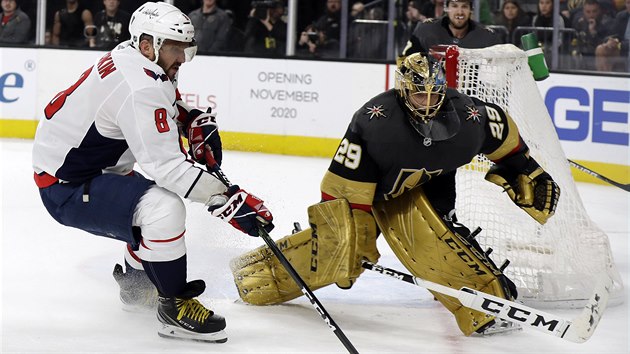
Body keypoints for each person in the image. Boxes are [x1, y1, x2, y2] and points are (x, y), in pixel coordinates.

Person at [229, 52, 560, 337]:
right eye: (420, 96)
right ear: (404, 92)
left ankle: (482, 306)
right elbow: (341, 188)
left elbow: (502, 133)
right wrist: (347, 240)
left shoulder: (470, 117)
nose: (429, 103)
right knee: (337, 251)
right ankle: (261, 276)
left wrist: (525, 169)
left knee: (437, 239)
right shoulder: (375, 124)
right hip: (372, 190)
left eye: (435, 94)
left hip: (431, 184)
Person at [32, 1, 273, 343]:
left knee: (149, 207)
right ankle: (174, 309)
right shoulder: (140, 86)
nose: (181, 59)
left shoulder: (134, 57)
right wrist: (229, 200)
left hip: (84, 167)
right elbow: (168, 168)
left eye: (185, 50)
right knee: (163, 208)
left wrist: (188, 117)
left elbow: (159, 99)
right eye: (175, 49)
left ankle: (136, 286)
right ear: (149, 46)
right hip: (67, 185)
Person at [401, 0, 503, 57]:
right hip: (434, 93)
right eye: (454, 6)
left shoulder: (487, 37)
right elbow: (406, 60)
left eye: (464, 6)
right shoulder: (426, 30)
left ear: (471, 9)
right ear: (446, 8)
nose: (459, 12)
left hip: (470, 94)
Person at [572, 0, 614, 69]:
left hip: (599, 59)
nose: (591, 15)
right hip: (582, 58)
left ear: (600, 11)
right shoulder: (580, 23)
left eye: (594, 11)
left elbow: (605, 47)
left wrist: (593, 33)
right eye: (588, 12)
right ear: (583, 12)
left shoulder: (607, 23)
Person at [595, 0, 630, 71]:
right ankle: (604, 78)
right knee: (601, 49)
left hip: (624, 46)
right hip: (622, 48)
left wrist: (619, 45)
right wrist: (610, 41)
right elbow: (612, 34)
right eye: (629, 3)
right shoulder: (621, 16)